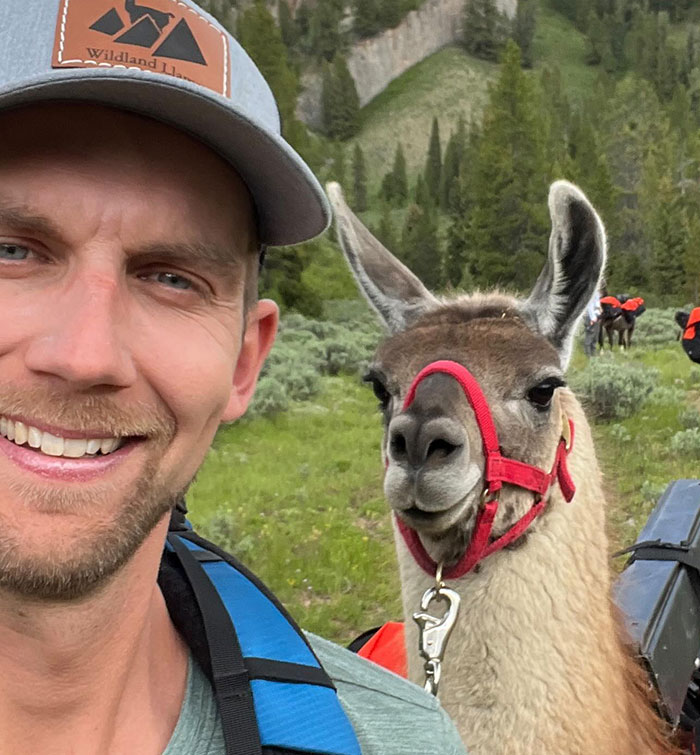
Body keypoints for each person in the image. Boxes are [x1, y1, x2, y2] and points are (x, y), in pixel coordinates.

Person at [0, 1, 467, 754]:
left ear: (246, 360)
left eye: (171, 278)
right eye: (11, 250)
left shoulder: (395, 742)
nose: (84, 354)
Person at [583, 289, 602, 357]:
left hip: (596, 317)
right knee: (590, 335)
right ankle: (588, 355)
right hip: (591, 317)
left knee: (595, 337)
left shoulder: (597, 292)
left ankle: (593, 355)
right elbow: (589, 306)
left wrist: (599, 314)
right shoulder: (592, 292)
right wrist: (593, 318)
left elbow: (597, 305)